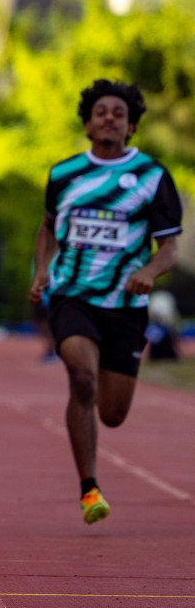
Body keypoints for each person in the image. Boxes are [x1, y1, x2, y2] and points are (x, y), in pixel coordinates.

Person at [29, 79, 181, 525]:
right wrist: (42, 270)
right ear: (88, 123)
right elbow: (47, 227)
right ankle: (89, 488)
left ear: (131, 125)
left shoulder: (153, 177)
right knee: (81, 376)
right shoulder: (64, 174)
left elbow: (169, 246)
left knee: (112, 413)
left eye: (118, 112)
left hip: (125, 304)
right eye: (101, 112)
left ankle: (93, 420)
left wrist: (148, 273)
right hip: (72, 295)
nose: (109, 118)